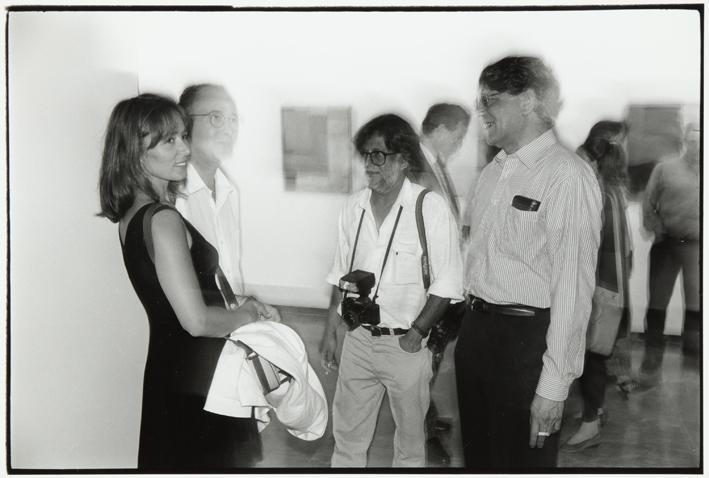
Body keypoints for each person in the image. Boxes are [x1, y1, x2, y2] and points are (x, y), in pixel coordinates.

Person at [98, 94, 278, 470]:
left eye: (183, 136)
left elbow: (178, 295)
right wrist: (246, 315)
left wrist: (239, 303)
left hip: (173, 372)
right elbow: (195, 320)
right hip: (199, 380)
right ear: (135, 151)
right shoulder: (162, 219)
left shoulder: (132, 217)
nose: (184, 147)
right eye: (170, 140)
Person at [455, 56, 603, 469]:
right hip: (477, 334)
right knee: (480, 460)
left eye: (490, 99)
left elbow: (572, 288)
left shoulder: (566, 175)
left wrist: (554, 386)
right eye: (479, 100)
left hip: (526, 344)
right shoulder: (492, 174)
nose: (480, 110)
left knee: (522, 464)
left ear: (528, 100)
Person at [319, 114, 463, 467]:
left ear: (402, 159)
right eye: (366, 155)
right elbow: (341, 275)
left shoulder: (428, 208)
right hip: (358, 339)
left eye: (378, 155)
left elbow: (447, 283)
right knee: (347, 440)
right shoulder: (352, 208)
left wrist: (416, 335)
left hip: (406, 346)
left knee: (410, 448)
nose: (369, 164)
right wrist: (330, 329)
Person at [176, 84, 277, 314]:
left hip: (229, 332)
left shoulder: (228, 190)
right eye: (216, 118)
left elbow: (226, 278)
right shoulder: (175, 199)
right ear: (184, 125)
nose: (229, 129)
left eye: (233, 119)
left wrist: (249, 305)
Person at [563, 120, 634, 451]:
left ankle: (590, 422)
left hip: (597, 289)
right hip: (610, 287)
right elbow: (624, 250)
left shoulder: (599, 193)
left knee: (589, 356)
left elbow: (589, 245)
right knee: (594, 356)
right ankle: (596, 410)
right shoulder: (613, 190)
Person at [417, 103, 471, 464]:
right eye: (459, 135)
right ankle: (420, 428)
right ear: (440, 130)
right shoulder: (418, 170)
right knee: (424, 360)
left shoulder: (435, 167)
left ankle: (427, 419)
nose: (460, 143)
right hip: (426, 285)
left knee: (432, 359)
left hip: (443, 280)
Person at [640, 121, 700, 378]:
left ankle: (693, 353)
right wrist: (657, 229)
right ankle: (652, 354)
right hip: (667, 243)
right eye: (694, 140)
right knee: (658, 301)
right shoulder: (665, 168)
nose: (697, 146)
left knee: (697, 302)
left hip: (697, 247)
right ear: (686, 140)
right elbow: (648, 203)